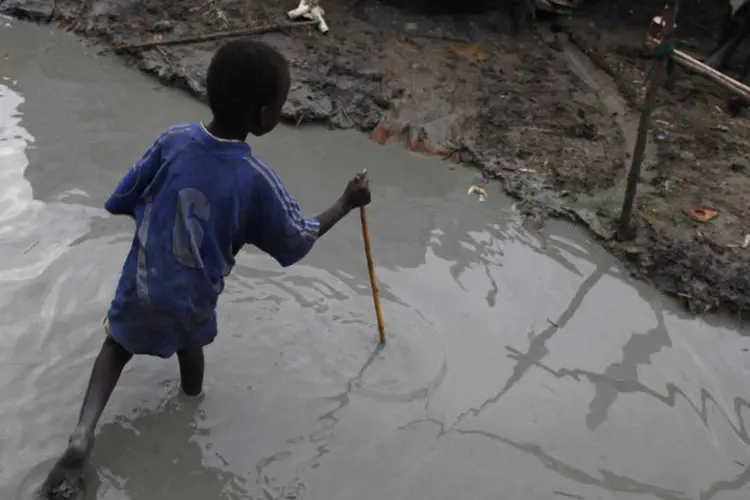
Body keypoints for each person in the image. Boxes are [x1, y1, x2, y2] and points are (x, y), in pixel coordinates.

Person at [41, 38, 371, 497]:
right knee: (191, 344)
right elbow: (297, 240)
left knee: (116, 345)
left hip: (141, 284)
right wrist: (346, 202)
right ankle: (191, 402)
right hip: (193, 297)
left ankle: (82, 431)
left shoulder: (173, 140)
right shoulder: (255, 180)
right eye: (280, 103)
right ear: (263, 117)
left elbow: (123, 197)